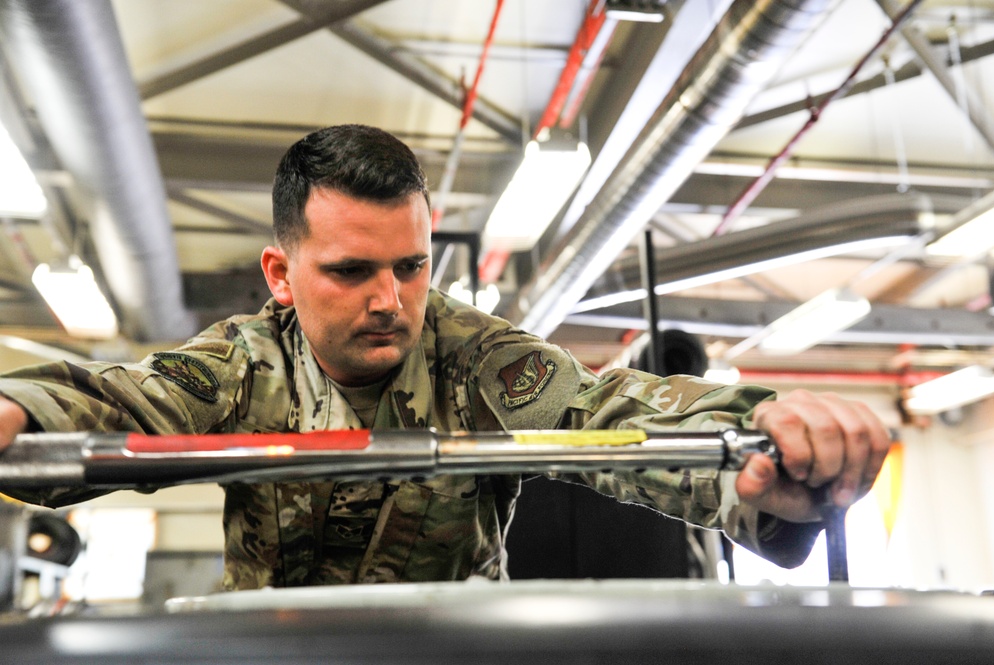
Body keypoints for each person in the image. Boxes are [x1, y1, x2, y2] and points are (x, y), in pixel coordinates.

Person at [0, 124, 890, 590]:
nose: (390, 299)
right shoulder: (243, 365)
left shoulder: (477, 359)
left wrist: (766, 445)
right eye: (351, 271)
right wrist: (20, 409)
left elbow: (616, 417)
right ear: (281, 272)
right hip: (273, 645)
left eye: (411, 265)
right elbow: (120, 400)